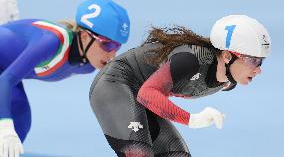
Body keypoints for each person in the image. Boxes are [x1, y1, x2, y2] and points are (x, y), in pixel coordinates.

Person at [89, 15, 271, 157]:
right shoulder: (190, 60)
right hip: (115, 83)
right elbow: (147, 93)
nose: (258, 70)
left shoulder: (228, 80)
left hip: (141, 97)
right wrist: (192, 119)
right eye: (252, 60)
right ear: (227, 56)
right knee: (139, 153)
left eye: (260, 61)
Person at [0, 0, 130, 157]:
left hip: (5, 68)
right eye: (107, 45)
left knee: (20, 121)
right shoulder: (52, 42)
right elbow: (5, 81)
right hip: (5, 75)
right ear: (84, 37)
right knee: (12, 120)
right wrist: (5, 126)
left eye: (117, 46)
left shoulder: (88, 66)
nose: (112, 54)